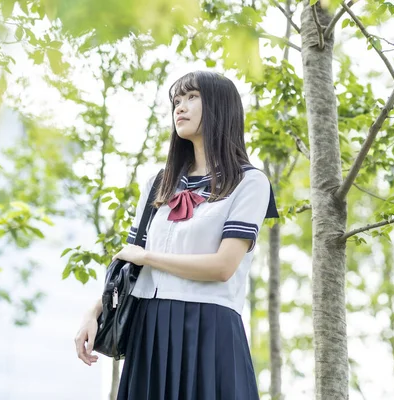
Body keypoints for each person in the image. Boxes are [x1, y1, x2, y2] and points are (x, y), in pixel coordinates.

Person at [74, 70, 278, 399]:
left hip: (209, 329)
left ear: (220, 107)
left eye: (192, 97)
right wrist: (92, 312)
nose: (180, 108)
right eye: (176, 101)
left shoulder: (250, 182)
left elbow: (223, 267)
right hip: (150, 330)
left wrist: (148, 257)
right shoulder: (159, 182)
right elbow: (130, 267)